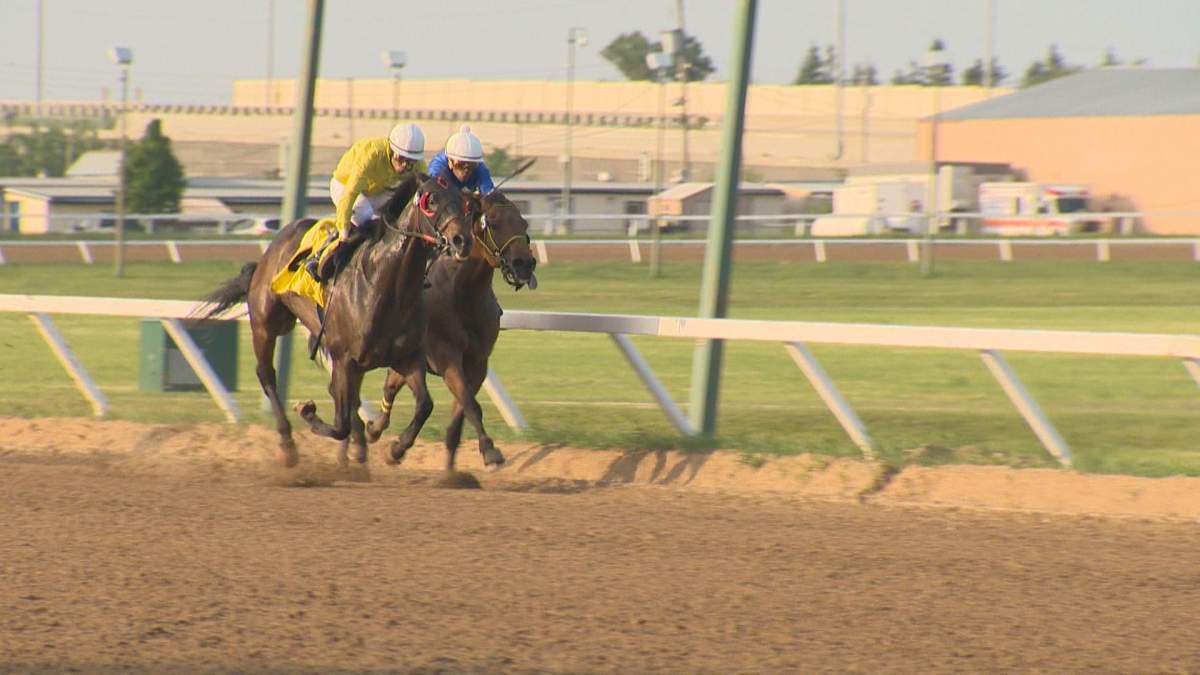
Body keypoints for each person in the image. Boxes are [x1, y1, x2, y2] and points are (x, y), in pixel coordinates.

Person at [307, 122, 426, 281]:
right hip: (344, 185)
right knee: (365, 215)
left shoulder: (419, 165)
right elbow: (350, 193)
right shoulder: (371, 154)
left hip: (377, 190)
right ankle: (319, 255)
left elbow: (424, 193)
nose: (405, 165)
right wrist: (343, 231)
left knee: (394, 219)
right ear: (391, 150)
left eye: (410, 162)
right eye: (401, 159)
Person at [427, 124, 495, 195]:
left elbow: (489, 193)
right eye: (460, 165)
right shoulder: (438, 167)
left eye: (471, 166)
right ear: (450, 161)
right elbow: (435, 193)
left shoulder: (480, 168)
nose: (466, 171)